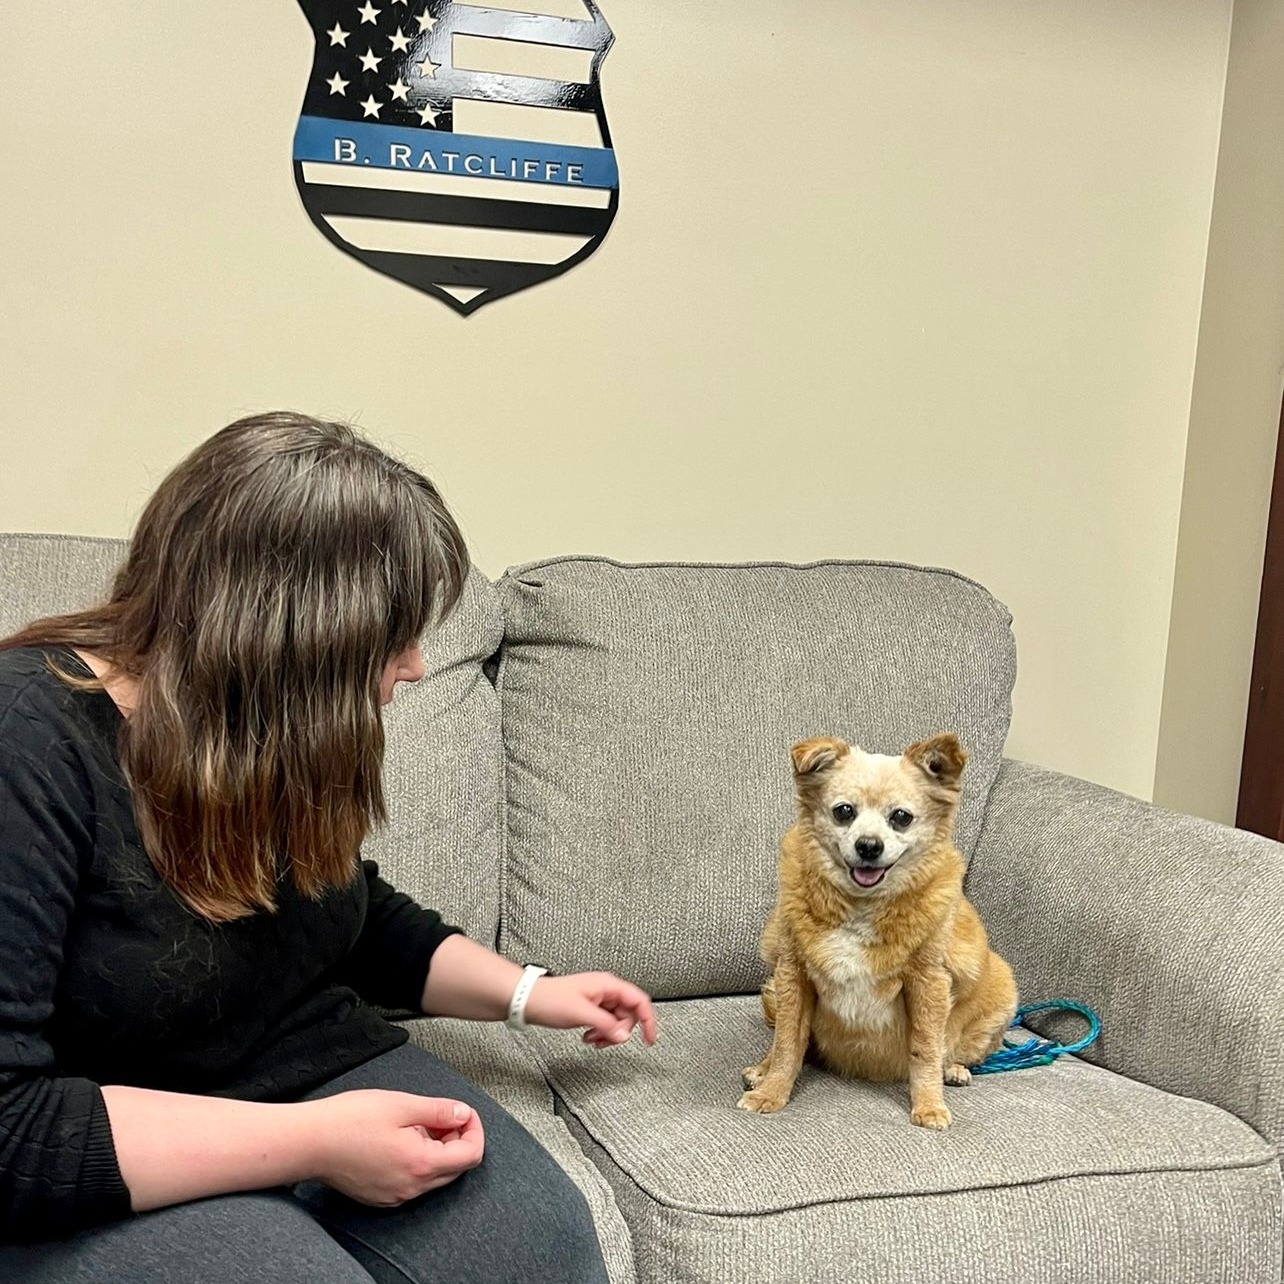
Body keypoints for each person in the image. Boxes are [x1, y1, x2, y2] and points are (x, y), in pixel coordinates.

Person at [0, 412, 657, 1283]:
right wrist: (313, 1144)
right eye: (394, 638)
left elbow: (345, 911)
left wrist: (531, 993)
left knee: (542, 1249)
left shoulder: (256, 729)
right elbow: (10, 1132)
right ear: (290, 642)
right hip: (115, 1129)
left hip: (313, 1065)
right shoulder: (27, 745)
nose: (418, 666)